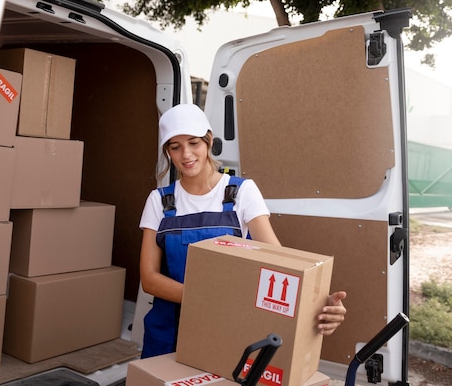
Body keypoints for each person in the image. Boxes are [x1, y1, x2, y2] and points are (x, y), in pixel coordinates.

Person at [138, 103, 347, 359]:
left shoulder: (241, 192)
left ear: (208, 141)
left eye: (194, 143)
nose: (186, 154)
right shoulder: (158, 200)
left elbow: (278, 260)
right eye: (175, 147)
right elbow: (149, 279)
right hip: (169, 332)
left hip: (232, 328)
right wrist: (213, 298)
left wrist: (318, 302)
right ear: (167, 152)